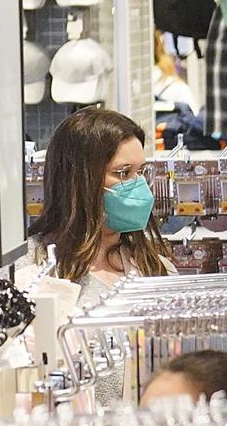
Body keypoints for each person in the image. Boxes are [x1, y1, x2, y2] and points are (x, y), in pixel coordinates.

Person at [30, 107, 173, 302]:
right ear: (79, 180)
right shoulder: (31, 266)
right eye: (123, 173)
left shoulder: (154, 267)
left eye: (142, 171)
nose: (139, 184)